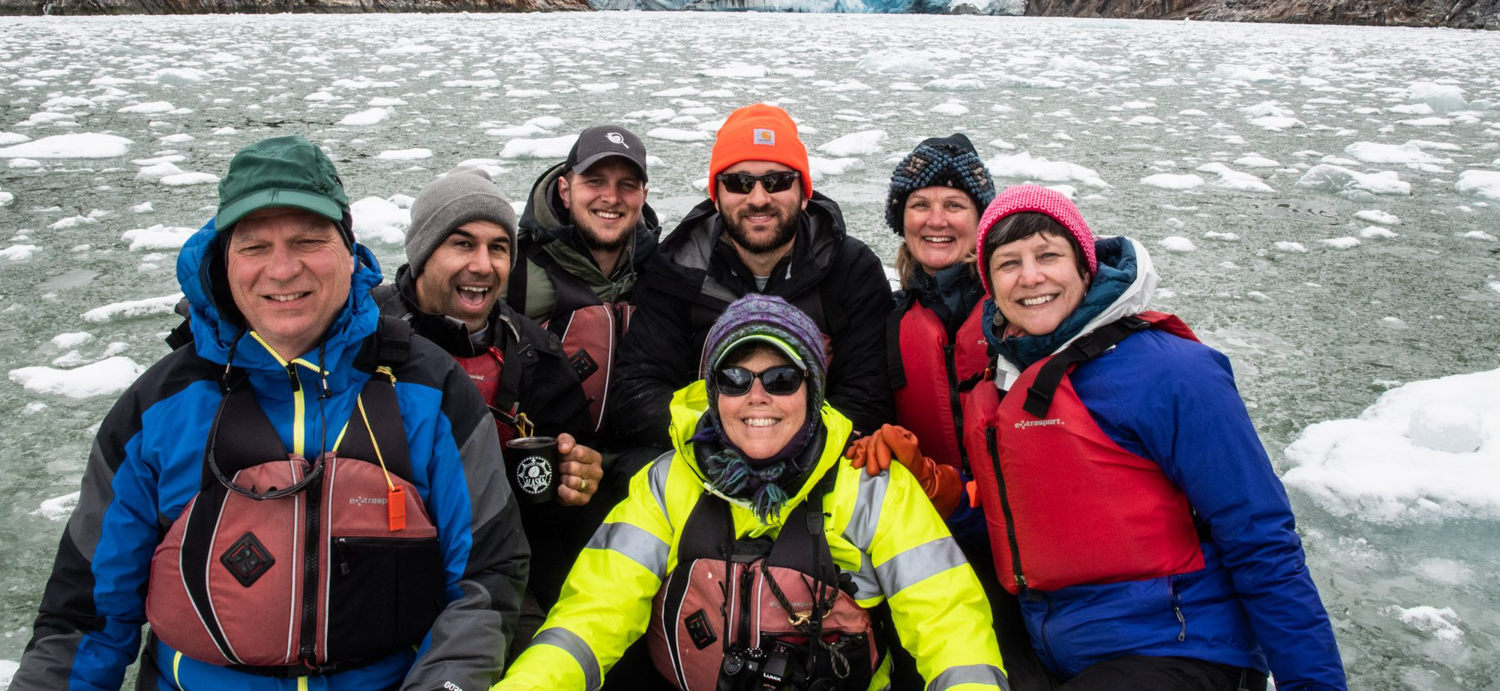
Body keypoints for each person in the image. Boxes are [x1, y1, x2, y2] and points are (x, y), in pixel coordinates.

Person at [13, 136, 526, 691]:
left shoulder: (429, 390)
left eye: (308, 240)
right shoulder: (160, 407)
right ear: (223, 259)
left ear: (349, 250)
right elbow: (84, 616)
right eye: (255, 247)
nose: (282, 270)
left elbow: (485, 578)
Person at [494, 295, 1009, 691]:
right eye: (735, 378)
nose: (757, 396)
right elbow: (592, 614)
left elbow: (950, 624)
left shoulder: (873, 486)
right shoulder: (666, 482)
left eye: (782, 378)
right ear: (714, 394)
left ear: (813, 390)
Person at [961, 184, 1347, 690]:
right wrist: (938, 491)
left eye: (1048, 254)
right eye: (1008, 263)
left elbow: (1261, 540)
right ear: (990, 284)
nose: (1031, 276)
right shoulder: (1001, 383)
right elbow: (1019, 527)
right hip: (1061, 650)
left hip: (1182, 652)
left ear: (1084, 266)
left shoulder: (1172, 374)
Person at [852, 135, 1052, 691]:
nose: (935, 220)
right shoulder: (893, 322)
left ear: (980, 218)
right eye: (920, 205)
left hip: (1035, 539)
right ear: (902, 219)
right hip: (945, 535)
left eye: (954, 205)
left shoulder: (1026, 308)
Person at [371, 167, 602, 643]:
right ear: (422, 252)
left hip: (500, 557)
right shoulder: (364, 336)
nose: (483, 264)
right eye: (462, 243)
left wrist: (577, 480)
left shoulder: (534, 352)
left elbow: (556, 489)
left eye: (498, 247)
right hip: (384, 552)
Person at [611, 103, 893, 453]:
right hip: (702, 460)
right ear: (717, 196)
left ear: (804, 193)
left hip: (817, 465)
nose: (759, 198)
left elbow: (868, 397)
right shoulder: (678, 270)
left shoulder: (850, 269)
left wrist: (789, 447)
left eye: (777, 181)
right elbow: (637, 389)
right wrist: (720, 439)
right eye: (739, 182)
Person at [509, 123, 659, 443]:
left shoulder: (664, 272)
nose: (611, 197)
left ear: (643, 196)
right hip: (543, 463)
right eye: (595, 182)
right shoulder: (513, 269)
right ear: (565, 191)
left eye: (627, 185)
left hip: (637, 466)